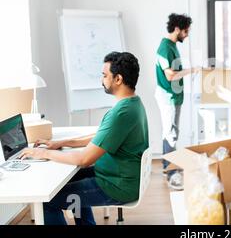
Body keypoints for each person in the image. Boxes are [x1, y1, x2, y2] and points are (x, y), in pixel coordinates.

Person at [20, 52, 149, 225]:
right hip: (116, 176)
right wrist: (61, 143)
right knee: (68, 183)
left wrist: (42, 153)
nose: (101, 79)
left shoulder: (121, 113)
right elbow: (100, 136)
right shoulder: (133, 103)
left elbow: (84, 159)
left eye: (104, 75)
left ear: (118, 79)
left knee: (48, 201)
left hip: (116, 185)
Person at [155, 13, 199, 190]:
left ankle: (169, 168)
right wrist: (192, 70)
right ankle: (172, 174)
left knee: (172, 132)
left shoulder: (172, 45)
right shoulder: (165, 48)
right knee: (170, 134)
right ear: (177, 29)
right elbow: (170, 75)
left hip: (174, 96)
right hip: (168, 97)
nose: (187, 34)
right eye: (186, 31)